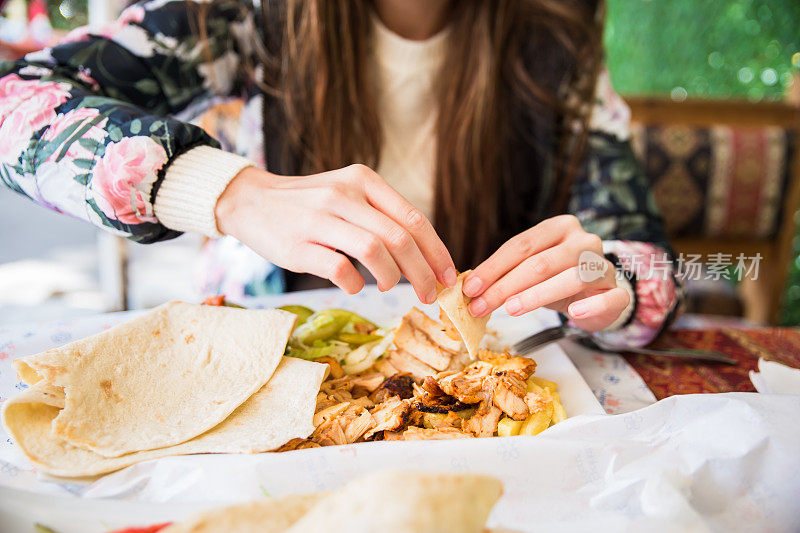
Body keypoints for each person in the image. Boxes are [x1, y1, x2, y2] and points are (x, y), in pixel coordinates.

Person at [0, 0, 682, 347]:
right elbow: (17, 102)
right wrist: (230, 193)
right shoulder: (247, 16)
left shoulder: (557, 33)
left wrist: (612, 284)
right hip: (258, 356)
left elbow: (650, 262)